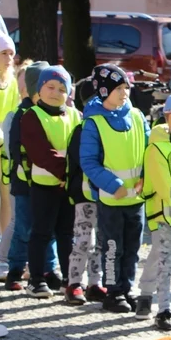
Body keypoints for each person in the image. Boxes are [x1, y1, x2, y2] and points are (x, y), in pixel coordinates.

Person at [81, 64, 150, 313]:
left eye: (126, 88)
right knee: (112, 249)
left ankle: (127, 288)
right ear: (103, 91)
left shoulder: (137, 117)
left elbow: (148, 149)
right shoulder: (93, 123)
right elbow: (88, 161)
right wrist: (112, 185)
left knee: (132, 248)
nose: (124, 93)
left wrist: (145, 177)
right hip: (111, 199)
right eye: (118, 88)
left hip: (136, 199)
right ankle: (113, 292)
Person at [19, 66, 78, 298]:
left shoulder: (75, 115)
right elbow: (41, 152)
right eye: (50, 87)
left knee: (67, 234)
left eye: (62, 89)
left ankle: (69, 279)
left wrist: (71, 177)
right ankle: (36, 279)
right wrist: (65, 174)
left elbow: (79, 149)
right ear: (39, 89)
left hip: (68, 187)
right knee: (41, 232)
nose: (55, 92)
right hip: (45, 185)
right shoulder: (32, 116)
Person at [3, 61, 59, 291]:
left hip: (48, 181)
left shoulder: (53, 113)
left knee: (48, 226)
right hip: (25, 182)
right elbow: (16, 148)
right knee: (25, 227)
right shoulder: (22, 114)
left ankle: (50, 268)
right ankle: (15, 269)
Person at [137, 93, 171, 331]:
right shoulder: (158, 145)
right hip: (163, 214)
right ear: (169, 118)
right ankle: (151, 299)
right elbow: (162, 184)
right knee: (162, 256)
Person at [64, 75, 107, 305]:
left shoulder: (110, 127)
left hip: (107, 194)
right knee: (83, 240)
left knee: (100, 241)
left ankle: (95, 283)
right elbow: (79, 162)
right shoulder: (83, 130)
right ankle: (74, 283)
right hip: (84, 193)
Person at [0, 28, 17, 285]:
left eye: (11, 52)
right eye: (3, 52)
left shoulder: (9, 83)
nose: (10, 57)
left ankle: (5, 257)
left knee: (8, 204)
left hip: (5, 152)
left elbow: (12, 114)